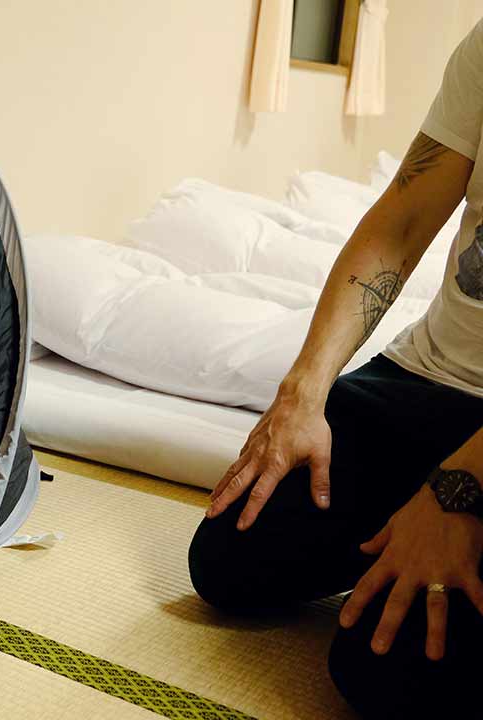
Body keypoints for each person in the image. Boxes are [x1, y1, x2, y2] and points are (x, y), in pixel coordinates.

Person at [188, 21, 483, 718]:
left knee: (387, 671)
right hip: (430, 376)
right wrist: (303, 393)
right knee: (232, 563)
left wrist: (456, 493)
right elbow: (403, 217)